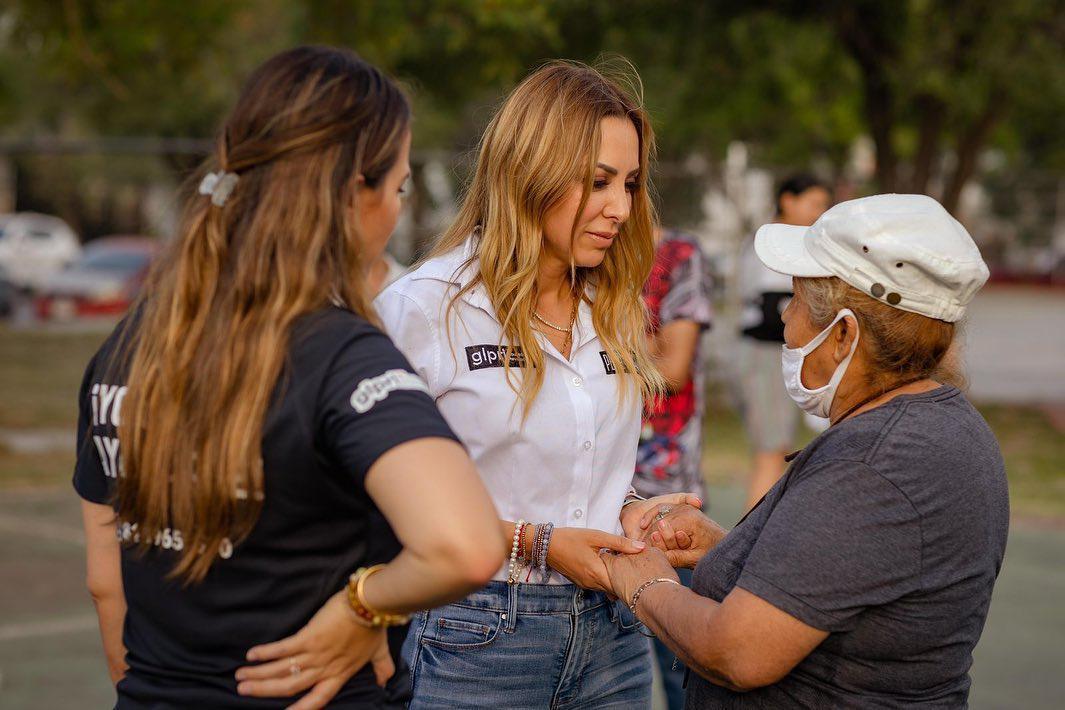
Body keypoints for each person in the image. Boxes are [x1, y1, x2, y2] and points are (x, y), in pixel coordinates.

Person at [74, 46, 504, 710]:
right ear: (353, 195)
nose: (395, 211)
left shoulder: (127, 347)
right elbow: (465, 548)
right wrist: (364, 606)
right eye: (397, 187)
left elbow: (108, 584)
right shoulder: (339, 357)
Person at [375, 60, 699, 709]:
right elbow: (380, 502)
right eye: (598, 181)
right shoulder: (425, 306)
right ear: (530, 170)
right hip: (474, 631)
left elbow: (574, 462)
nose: (620, 208)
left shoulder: (614, 307)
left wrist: (629, 505)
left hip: (614, 629)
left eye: (630, 184)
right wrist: (537, 542)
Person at [602, 194, 1009, 708]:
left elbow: (737, 652)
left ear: (842, 335)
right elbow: (852, 574)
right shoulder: (945, 425)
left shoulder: (874, 464)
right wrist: (730, 551)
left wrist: (645, 583)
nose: (788, 323)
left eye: (794, 302)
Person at [635, 226, 713, 709]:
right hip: (588, 502)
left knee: (681, 669)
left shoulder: (679, 254)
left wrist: (590, 334)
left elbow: (672, 365)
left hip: (663, 495)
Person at [736, 174, 831, 509]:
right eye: (815, 203)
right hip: (764, 354)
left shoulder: (783, 241)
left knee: (777, 448)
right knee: (771, 451)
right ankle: (750, 543)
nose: (820, 212)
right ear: (788, 200)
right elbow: (770, 316)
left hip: (772, 355)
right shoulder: (771, 244)